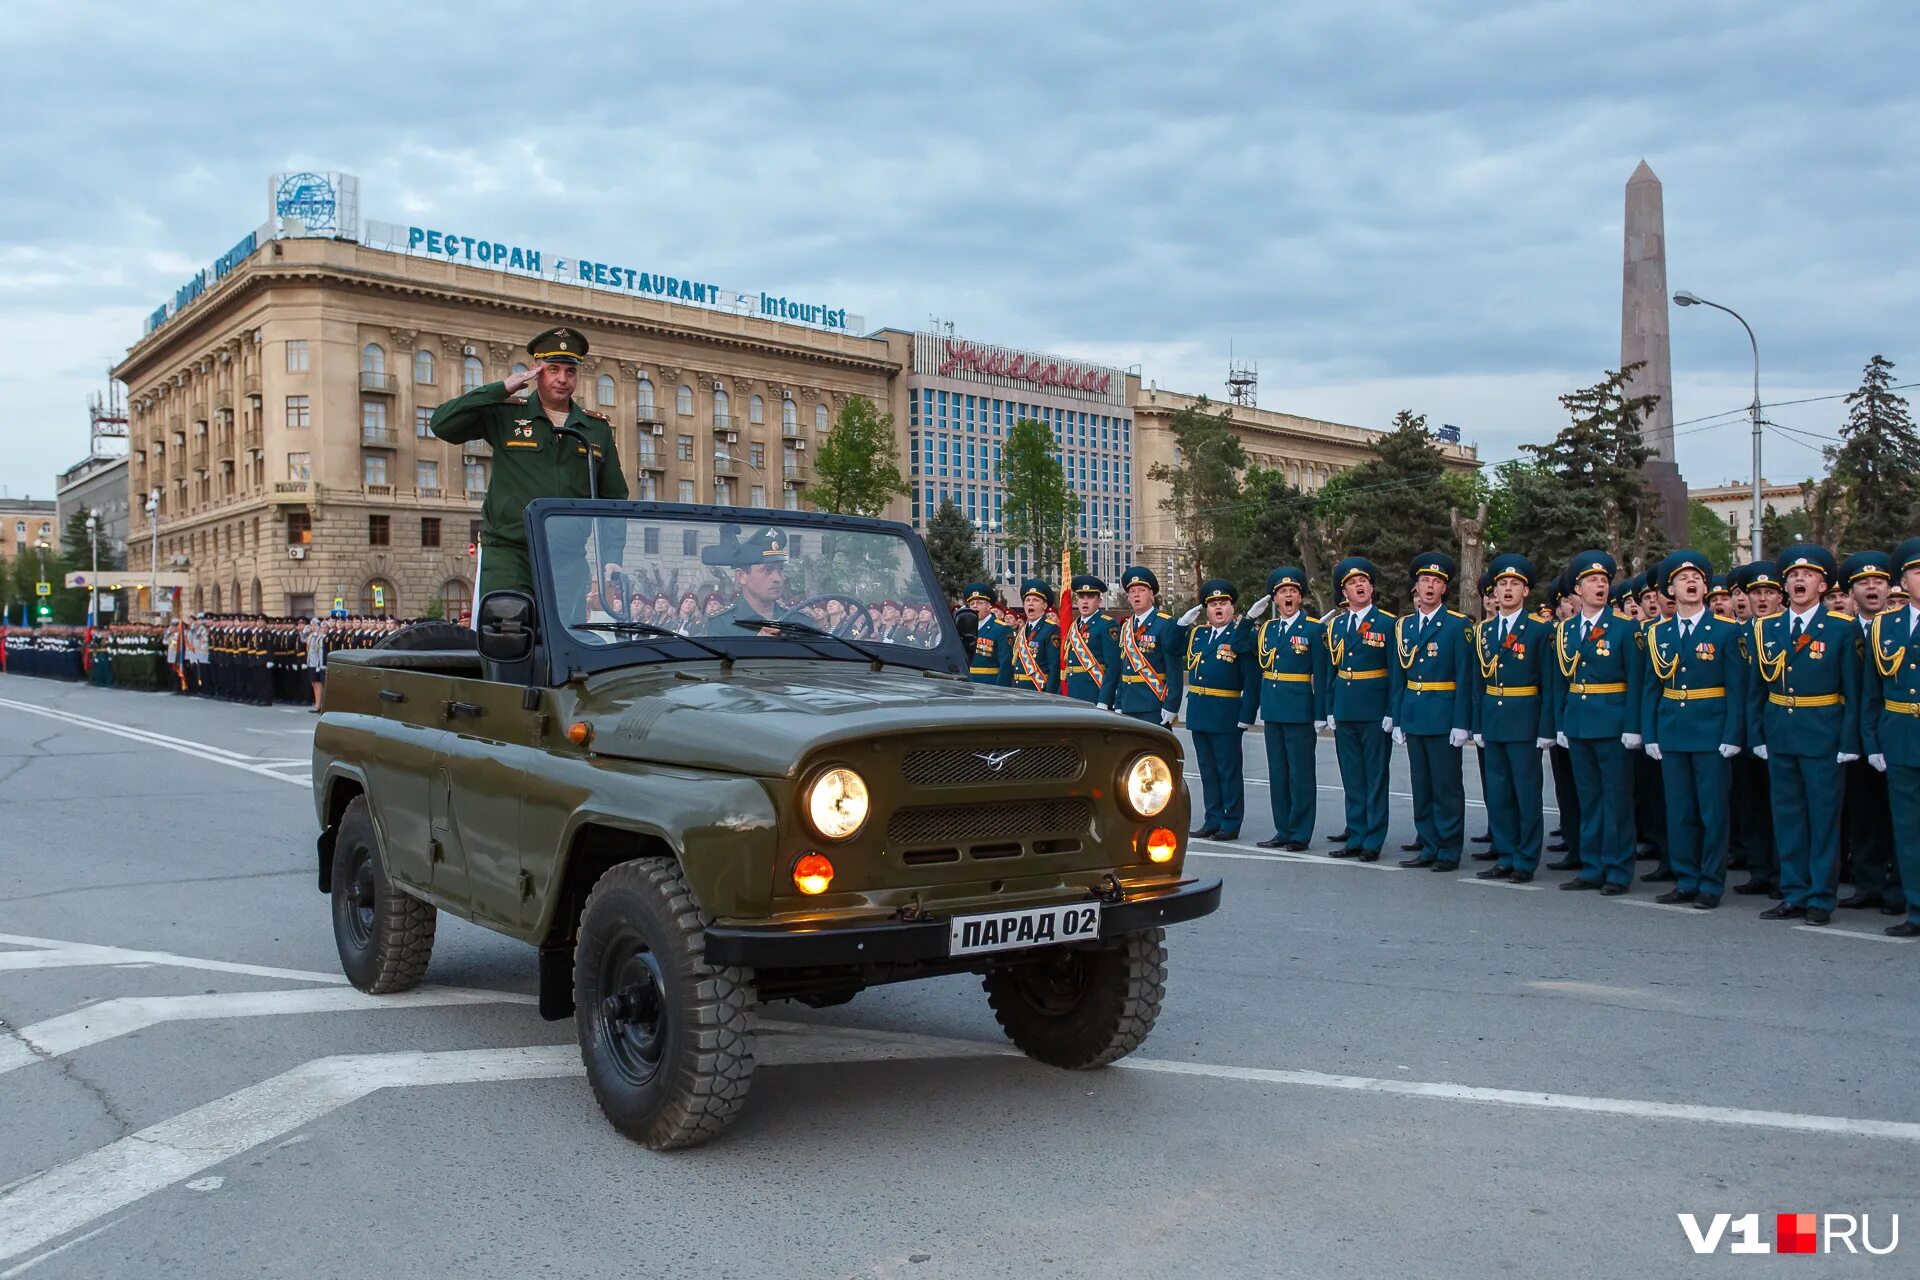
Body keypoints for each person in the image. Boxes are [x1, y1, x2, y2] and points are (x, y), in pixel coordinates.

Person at [429, 326, 627, 609]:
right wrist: (501, 388)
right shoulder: (507, 413)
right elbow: (441, 424)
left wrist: (611, 557)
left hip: (567, 560)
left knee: (566, 645)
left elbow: (614, 499)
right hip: (510, 555)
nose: (562, 379)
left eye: (570, 371)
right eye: (553, 369)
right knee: (507, 638)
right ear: (536, 369)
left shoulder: (595, 429)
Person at [1748, 544, 1861, 926]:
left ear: (1823, 585)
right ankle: (1793, 891)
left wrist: (1848, 742)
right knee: (1788, 817)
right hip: (1780, 731)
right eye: (1794, 576)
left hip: (1823, 734)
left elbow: (1853, 692)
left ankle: (1820, 897)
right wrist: (1758, 733)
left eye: (1808, 575)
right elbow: (1756, 689)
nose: (1800, 580)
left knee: (1823, 819)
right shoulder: (1768, 627)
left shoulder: (1841, 628)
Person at [1639, 550, 1746, 909]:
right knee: (1679, 809)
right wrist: (1650, 734)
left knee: (1712, 812)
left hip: (1711, 732)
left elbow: (1736, 688)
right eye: (1683, 579)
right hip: (1672, 730)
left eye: (1697, 578)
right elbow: (1651, 687)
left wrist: (1733, 735)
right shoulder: (1659, 633)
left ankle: (1711, 884)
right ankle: (1685, 879)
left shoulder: (1725, 630)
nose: (1690, 582)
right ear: (1670, 589)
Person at [1550, 550, 1640, 894]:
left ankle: (1617, 870)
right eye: (1592, 581)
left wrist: (1632, 726)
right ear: (1577, 590)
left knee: (1616, 799)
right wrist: (1560, 725)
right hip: (1578, 722)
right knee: (1588, 798)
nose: (1600, 586)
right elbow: (1561, 681)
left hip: (1613, 721)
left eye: (1604, 581)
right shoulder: (1566, 631)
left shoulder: (1623, 628)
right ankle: (1592, 866)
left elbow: (1634, 680)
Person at [1470, 554, 1555, 882]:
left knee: (1526, 792)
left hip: (1525, 720)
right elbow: (1478, 685)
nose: (1507, 590)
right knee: (1499, 792)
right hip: (1493, 719)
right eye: (1502, 584)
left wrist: (1546, 727)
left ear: (1525, 592)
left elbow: (1547, 683)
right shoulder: (1484, 631)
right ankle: (1505, 853)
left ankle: (1525, 858)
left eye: (1514, 585)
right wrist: (1477, 724)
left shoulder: (1537, 630)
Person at [1388, 552, 1472, 871]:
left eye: (1436, 581)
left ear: (1443, 589)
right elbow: (1399, 678)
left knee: (1446, 787)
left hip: (1443, 716)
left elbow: (1465, 678)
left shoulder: (1456, 626)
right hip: (1414, 714)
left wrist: (1461, 723)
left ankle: (1449, 849)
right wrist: (1397, 719)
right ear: (1417, 586)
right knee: (1421, 786)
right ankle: (1429, 843)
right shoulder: (1405, 627)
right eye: (1425, 580)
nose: (1430, 586)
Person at [1861, 536, 1920, 937]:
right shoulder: (1886, 624)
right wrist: (1872, 741)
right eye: (1917, 571)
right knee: (1909, 829)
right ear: (1903, 581)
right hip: (1899, 735)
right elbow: (1871, 692)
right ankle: (1916, 909)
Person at [1838, 550, 1901, 915]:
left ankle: (1897, 887)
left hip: (1890, 733)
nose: (1871, 587)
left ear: (1890, 588)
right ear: (1852, 593)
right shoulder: (1842, 630)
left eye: (1878, 581)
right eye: (1863, 583)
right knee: (1862, 813)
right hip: (1849, 735)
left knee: (1897, 814)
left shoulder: (1898, 628)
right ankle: (1867, 882)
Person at [1321, 557, 1395, 862]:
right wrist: (1328, 708)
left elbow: (1395, 672)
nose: (1359, 586)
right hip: (1345, 708)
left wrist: (1392, 711)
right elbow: (1330, 672)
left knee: (1375, 777)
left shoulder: (1388, 623)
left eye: (1364, 581)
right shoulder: (1336, 625)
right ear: (1344, 592)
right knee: (1351, 777)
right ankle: (1355, 833)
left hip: (1374, 709)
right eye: (1352, 583)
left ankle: (1372, 840)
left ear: (1372, 587)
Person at [1252, 566, 1323, 852]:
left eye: (1292, 591)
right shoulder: (1268, 629)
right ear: (1275, 600)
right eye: (1282, 593)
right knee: (1278, 772)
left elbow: (1321, 672)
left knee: (1300, 773)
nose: (1288, 596)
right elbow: (1252, 656)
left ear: (1301, 597)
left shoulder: (1314, 629)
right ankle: (1283, 828)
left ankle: (1300, 832)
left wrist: (1320, 713)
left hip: (1299, 708)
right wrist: (1248, 618)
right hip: (1273, 708)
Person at [1182, 578, 1255, 841]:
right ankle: (1212, 819)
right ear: (1206, 610)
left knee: (1228, 770)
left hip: (1226, 712)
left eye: (1223, 603)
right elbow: (1172, 647)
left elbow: (1251, 678)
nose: (1218, 608)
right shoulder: (1198, 634)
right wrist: (1181, 625)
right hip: (1200, 711)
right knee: (1208, 771)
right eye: (1213, 605)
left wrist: (1247, 715)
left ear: (1232, 608)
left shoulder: (1240, 636)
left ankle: (1231, 822)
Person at [1729, 561, 1784, 897]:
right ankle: (1759, 869)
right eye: (1756, 593)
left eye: (1769, 592)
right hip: (1745, 735)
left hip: (1778, 731)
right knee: (1750, 805)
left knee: (1780, 806)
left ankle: (1780, 873)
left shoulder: (1783, 631)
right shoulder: (1740, 634)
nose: (1762, 599)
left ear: (1781, 597)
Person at [1099, 567, 1185, 726]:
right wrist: (1118, 703)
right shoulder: (1126, 626)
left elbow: (1174, 669)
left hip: (1153, 703)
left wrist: (1171, 705)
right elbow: (1123, 668)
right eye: (1132, 591)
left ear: (1151, 594)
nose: (1136, 595)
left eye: (1141, 590)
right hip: (1128, 704)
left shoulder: (1165, 623)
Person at [704, 528, 790, 634]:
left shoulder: (798, 620)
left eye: (780, 569)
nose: (777, 578)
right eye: (767, 570)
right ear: (741, 576)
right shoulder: (722, 623)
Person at [1062, 575, 1117, 705]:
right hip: (1072, 693)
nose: (1085, 602)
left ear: (1099, 601)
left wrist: (1104, 700)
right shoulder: (1074, 626)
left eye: (1090, 597)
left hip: (1094, 693)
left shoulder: (1106, 625)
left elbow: (1113, 667)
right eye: (1081, 597)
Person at [1004, 579, 1061, 693]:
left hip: (1037, 690)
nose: (1030, 603)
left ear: (1044, 605)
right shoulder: (1022, 630)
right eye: (1027, 600)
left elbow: (1054, 668)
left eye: (1035, 600)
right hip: (1017, 689)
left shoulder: (1050, 629)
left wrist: (1049, 696)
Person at [962, 584, 1012, 683]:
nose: (975, 606)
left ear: (988, 606)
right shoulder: (966, 628)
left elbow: (1006, 664)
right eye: (972, 603)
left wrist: (1000, 689)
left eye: (979, 603)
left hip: (990, 684)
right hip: (967, 682)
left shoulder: (1001, 628)